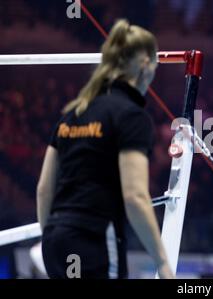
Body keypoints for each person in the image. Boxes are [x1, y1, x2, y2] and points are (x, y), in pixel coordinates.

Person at [36, 19, 174, 279]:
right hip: (94, 240)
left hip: (55, 242)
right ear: (145, 64)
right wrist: (162, 262)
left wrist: (50, 237)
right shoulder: (132, 117)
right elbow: (135, 197)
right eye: (155, 62)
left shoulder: (72, 113)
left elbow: (44, 190)